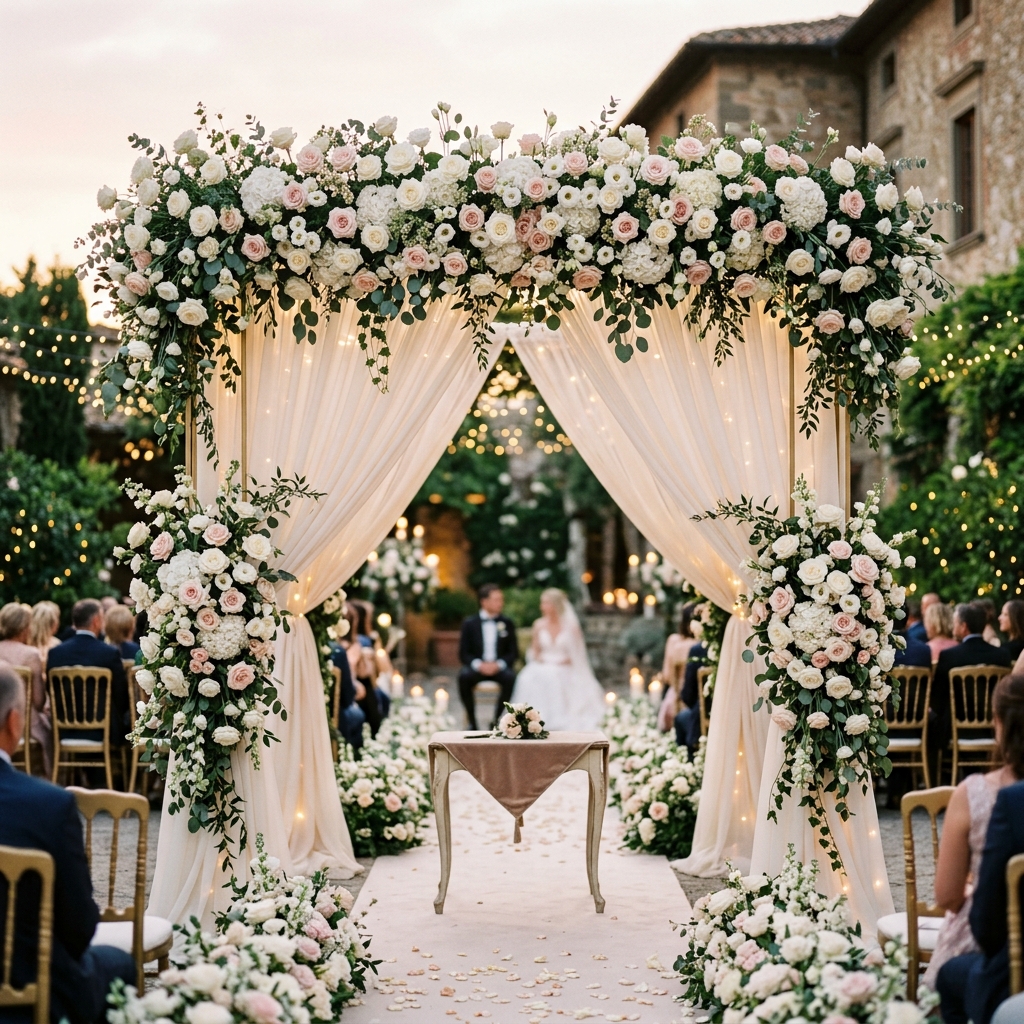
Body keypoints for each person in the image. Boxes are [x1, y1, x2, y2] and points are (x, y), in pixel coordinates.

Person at [0, 665, 135, 1023]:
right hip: (27, 988)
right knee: (120, 964)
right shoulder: (49, 805)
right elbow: (79, 926)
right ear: (15, 722)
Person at [925, 673, 1024, 992]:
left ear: (998, 724)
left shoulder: (974, 793)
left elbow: (948, 896)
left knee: (946, 978)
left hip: (995, 942)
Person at [931, 602, 1014, 766]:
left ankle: (936, 781)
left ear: (964, 627)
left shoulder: (950, 656)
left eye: (955, 623)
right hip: (992, 727)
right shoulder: (1002, 656)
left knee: (932, 724)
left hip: (956, 729)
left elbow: (937, 700)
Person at [511, 588, 605, 731]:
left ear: (555, 605)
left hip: (564, 665)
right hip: (544, 663)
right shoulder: (538, 624)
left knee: (556, 676)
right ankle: (533, 717)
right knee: (527, 677)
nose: (542, 606)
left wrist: (562, 661)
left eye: (546, 603)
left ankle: (557, 718)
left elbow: (578, 655)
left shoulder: (571, 627)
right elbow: (535, 651)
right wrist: (543, 659)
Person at [46, 599, 129, 749]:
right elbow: (121, 695)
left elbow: (50, 691)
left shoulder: (55, 653)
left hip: (64, 729)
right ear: (96, 621)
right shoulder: (109, 653)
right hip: (103, 730)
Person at [0, 603, 52, 776]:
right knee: (51, 729)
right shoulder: (31, 654)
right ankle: (48, 778)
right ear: (24, 628)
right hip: (23, 722)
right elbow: (38, 702)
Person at [458, 584, 519, 731]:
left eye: (501, 600)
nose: (500, 603)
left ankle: (497, 720)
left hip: (499, 669)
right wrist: (479, 665)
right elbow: (463, 653)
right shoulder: (469, 623)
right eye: (496, 600)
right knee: (463, 677)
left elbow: (513, 652)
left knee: (510, 678)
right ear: (484, 602)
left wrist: (499, 664)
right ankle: (472, 722)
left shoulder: (507, 623)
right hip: (478, 668)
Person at [658, 603, 697, 732]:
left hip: (676, 697)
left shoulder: (674, 641)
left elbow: (667, 676)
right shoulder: (701, 645)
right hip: (696, 698)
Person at [674, 640, 708, 754]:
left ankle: (690, 761)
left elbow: (688, 696)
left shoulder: (699, 650)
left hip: (706, 717)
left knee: (680, 718)